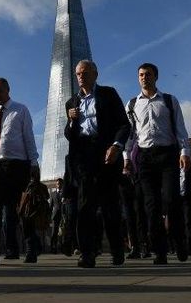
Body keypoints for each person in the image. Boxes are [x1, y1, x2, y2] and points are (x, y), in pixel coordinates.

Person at [65, 60, 130, 268]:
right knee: (85, 207)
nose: (80, 76)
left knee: (110, 206)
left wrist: (117, 146)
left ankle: (117, 250)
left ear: (95, 74)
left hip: (106, 154)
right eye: (77, 74)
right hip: (84, 157)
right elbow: (69, 135)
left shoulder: (108, 94)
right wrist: (71, 120)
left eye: (84, 72)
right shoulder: (71, 102)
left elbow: (123, 124)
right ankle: (87, 253)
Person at [124, 62, 190, 265]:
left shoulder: (169, 101)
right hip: (145, 158)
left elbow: (180, 128)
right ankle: (160, 251)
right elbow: (130, 134)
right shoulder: (132, 104)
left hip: (168, 155)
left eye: (148, 74)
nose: (144, 78)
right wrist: (126, 159)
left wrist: (184, 152)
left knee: (171, 201)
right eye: (141, 75)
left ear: (156, 77)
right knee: (151, 207)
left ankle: (180, 242)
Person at [0, 78, 39, 265]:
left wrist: (34, 162)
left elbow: (28, 137)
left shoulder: (21, 110)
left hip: (19, 166)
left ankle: (30, 248)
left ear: (8, 90)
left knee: (22, 209)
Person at [50, 178, 63, 254]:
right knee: (54, 232)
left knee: (63, 232)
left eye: (60, 183)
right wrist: (49, 216)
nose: (59, 185)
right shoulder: (53, 193)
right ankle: (53, 248)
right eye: (58, 183)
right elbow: (51, 205)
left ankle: (63, 248)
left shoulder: (65, 193)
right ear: (56, 185)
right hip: (55, 215)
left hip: (63, 215)